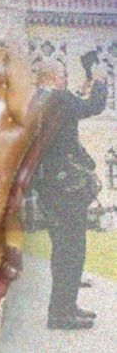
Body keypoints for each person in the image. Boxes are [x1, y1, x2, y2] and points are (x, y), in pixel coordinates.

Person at [33, 67, 107, 330]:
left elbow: (72, 106)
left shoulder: (39, 100)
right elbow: (94, 106)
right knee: (72, 250)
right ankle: (61, 313)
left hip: (49, 185)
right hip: (66, 188)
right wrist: (100, 81)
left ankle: (64, 306)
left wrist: (83, 87)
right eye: (63, 75)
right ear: (54, 78)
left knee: (62, 249)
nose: (65, 80)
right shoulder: (59, 98)